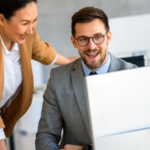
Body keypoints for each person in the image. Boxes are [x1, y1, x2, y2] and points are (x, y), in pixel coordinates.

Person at [36, 7, 137, 150]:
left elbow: (139, 138)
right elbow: (46, 135)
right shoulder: (58, 79)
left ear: (108, 37)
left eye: (98, 37)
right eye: (83, 39)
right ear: (74, 41)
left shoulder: (133, 76)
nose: (91, 46)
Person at [0, 0, 78, 149]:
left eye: (34, 20)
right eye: (24, 23)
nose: (30, 30)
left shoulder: (27, 36)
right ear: (2, 19)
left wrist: (69, 61)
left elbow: (44, 52)